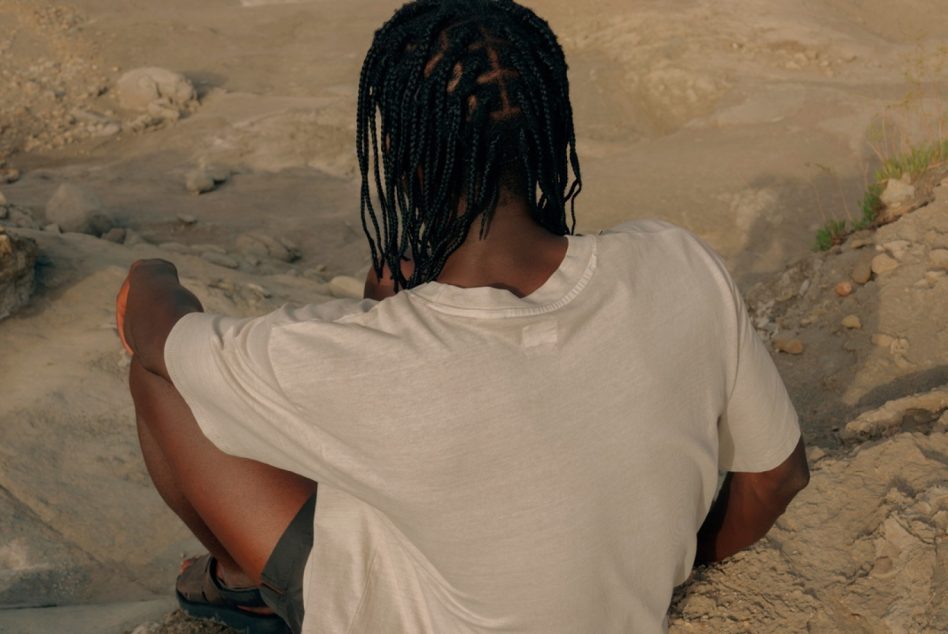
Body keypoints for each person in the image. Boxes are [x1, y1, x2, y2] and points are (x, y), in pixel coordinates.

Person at [116, 1, 810, 632]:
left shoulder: (370, 355)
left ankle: (238, 580)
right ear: (551, 130)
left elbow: (153, 332)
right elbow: (777, 477)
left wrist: (153, 271)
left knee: (161, 382)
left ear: (404, 160)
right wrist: (666, 561)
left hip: (395, 611)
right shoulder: (679, 261)